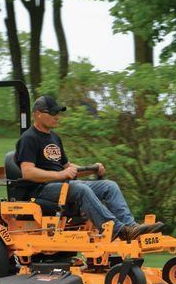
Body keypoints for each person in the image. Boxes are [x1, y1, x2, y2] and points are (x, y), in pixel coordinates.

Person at [15, 95, 163, 240]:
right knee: (80, 189)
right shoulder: (29, 138)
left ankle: (132, 227)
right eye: (53, 113)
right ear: (38, 114)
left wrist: (92, 169)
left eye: (58, 113)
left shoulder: (54, 138)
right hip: (41, 189)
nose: (57, 117)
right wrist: (60, 175)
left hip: (63, 185)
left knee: (109, 186)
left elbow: (68, 167)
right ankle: (118, 230)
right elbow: (28, 172)